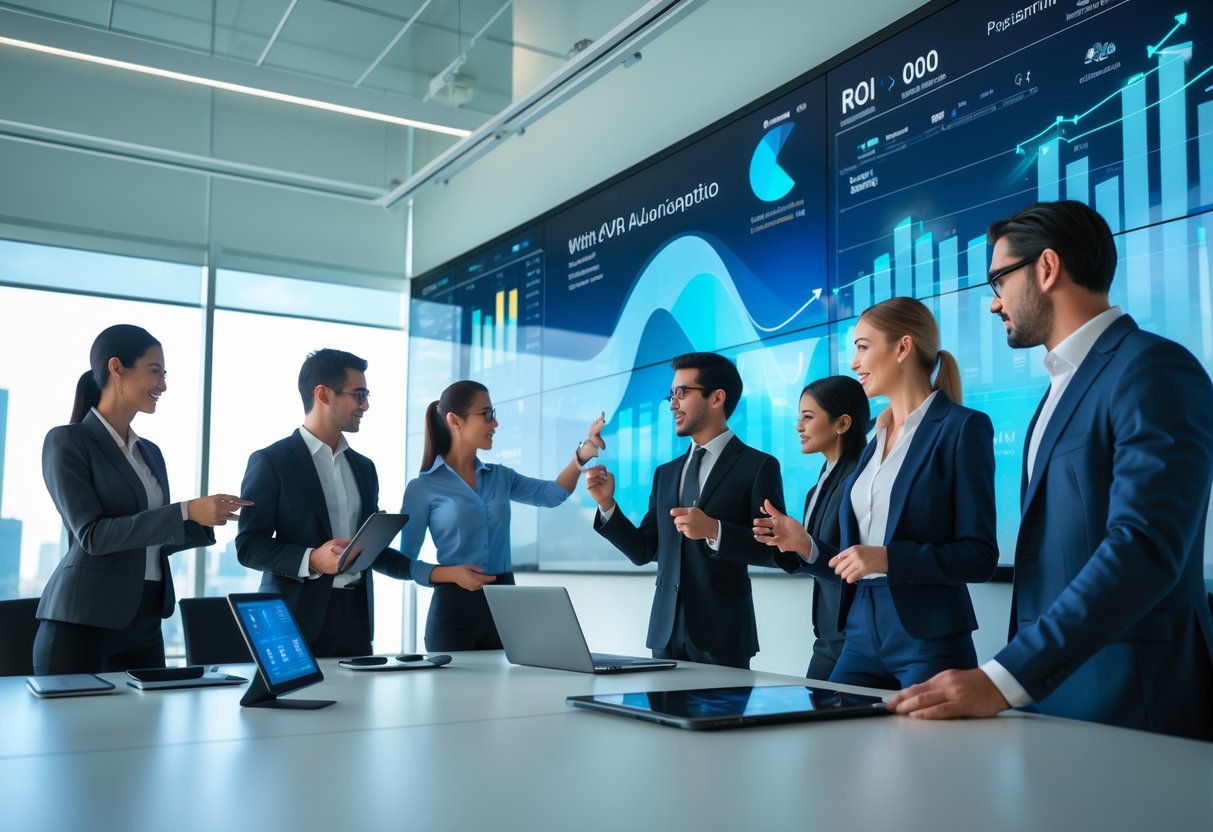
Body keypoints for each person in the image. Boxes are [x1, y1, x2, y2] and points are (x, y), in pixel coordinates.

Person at [889, 200, 1213, 740]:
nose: (994, 303)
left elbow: (1144, 545)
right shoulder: (1058, 389)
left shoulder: (1152, 367)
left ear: (1046, 267)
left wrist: (1004, 678)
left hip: (1132, 695)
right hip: (1056, 695)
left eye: (999, 280)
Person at [759, 298, 998, 689]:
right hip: (859, 634)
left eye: (863, 347)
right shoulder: (873, 441)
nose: (854, 363)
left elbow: (980, 556)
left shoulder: (961, 427)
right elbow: (857, 561)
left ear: (902, 348)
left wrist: (889, 558)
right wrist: (805, 544)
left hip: (929, 640)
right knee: (832, 727)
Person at [33, 325, 248, 675]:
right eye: (155, 371)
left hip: (146, 619)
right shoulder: (67, 441)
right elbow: (93, 536)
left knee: (152, 713)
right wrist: (184, 511)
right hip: (83, 623)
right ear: (117, 368)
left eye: (164, 375)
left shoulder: (151, 453)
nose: (163, 385)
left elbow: (148, 539)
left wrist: (202, 519)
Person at [585, 352, 784, 669]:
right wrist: (607, 504)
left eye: (681, 393)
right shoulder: (666, 473)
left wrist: (715, 531)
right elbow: (645, 550)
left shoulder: (758, 466)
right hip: (666, 634)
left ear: (717, 397)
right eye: (671, 395)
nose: (672, 404)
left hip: (723, 635)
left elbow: (776, 552)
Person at [400, 380, 605, 651]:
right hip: (452, 613)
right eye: (486, 414)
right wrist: (449, 574)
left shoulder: (500, 477)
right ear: (455, 420)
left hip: (504, 608)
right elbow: (405, 562)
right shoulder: (422, 488)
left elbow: (552, 494)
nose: (495, 423)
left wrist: (584, 453)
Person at [236, 349, 412, 658]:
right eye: (359, 395)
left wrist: (435, 573)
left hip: (357, 620)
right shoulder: (271, 461)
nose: (365, 405)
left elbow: (370, 551)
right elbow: (249, 546)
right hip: (293, 619)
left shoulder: (364, 468)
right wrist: (313, 559)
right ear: (323, 395)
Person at [751, 375, 870, 679]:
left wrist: (803, 543)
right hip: (827, 637)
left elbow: (859, 566)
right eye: (799, 417)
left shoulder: (862, 481)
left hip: (859, 637)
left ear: (842, 423)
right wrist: (781, 542)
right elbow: (808, 558)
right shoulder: (816, 489)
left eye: (808, 417)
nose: (798, 427)